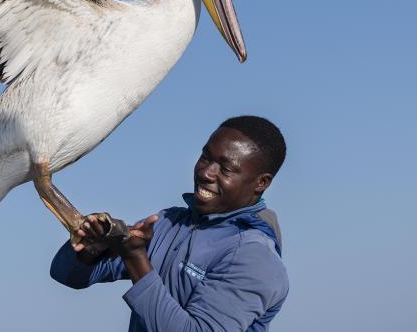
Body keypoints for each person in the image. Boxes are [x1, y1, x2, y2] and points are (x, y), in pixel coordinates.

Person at [50, 116, 289, 331]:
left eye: (225, 169)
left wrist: (135, 258)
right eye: (205, 157)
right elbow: (66, 275)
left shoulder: (255, 258)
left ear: (261, 183)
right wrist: (91, 249)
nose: (206, 172)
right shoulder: (169, 223)